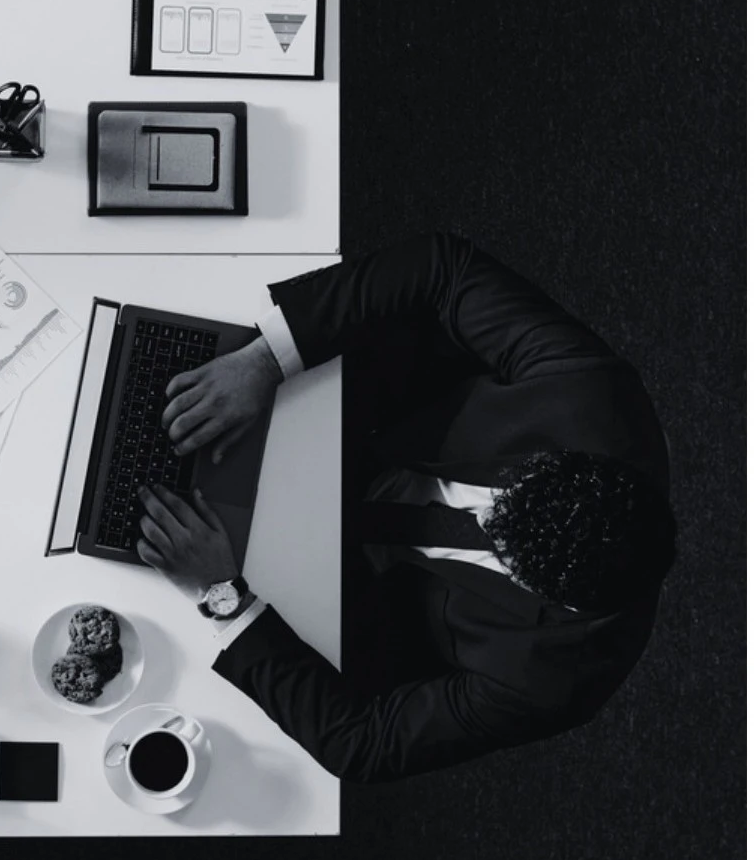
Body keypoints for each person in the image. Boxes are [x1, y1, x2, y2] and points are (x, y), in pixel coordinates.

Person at [136, 232, 676, 783]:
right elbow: (444, 269)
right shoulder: (593, 397)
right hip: (351, 414)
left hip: (336, 593)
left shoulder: (554, 681)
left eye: (499, 539)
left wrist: (221, 596)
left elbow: (361, 745)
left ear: (550, 596)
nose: (484, 515)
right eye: (508, 492)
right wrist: (265, 362)